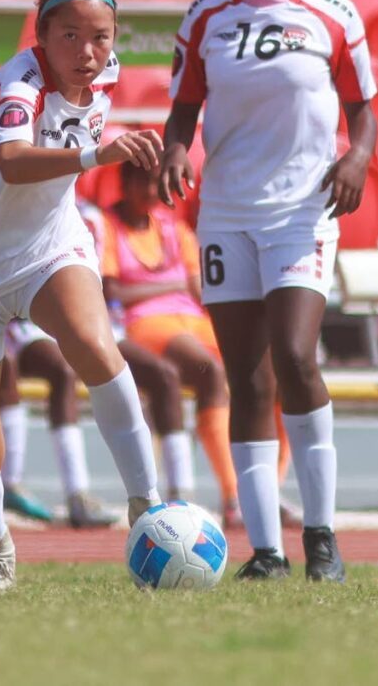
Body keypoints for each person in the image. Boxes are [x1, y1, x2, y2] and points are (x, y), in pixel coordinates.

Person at [159, 0, 377, 582]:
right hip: (225, 213)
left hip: (303, 212)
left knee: (294, 356)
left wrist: (356, 158)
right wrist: (173, 152)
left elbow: (366, 113)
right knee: (246, 380)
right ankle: (266, 552)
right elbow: (184, 108)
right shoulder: (207, 16)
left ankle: (321, 536)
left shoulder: (336, 16)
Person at [0, 0, 164, 591]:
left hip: (49, 246)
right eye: (71, 36)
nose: (88, 52)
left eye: (101, 37)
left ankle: (150, 512)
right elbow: (11, 161)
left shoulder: (106, 75)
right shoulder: (19, 84)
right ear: (43, 35)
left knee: (96, 347)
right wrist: (97, 155)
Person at [102, 161, 241, 526]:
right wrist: (173, 285)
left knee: (265, 369)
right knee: (208, 370)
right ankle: (230, 496)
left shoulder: (174, 228)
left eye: (156, 183)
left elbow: (199, 287)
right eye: (144, 183)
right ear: (125, 182)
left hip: (193, 319)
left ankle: (265, 489)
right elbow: (114, 291)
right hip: (146, 323)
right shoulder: (107, 226)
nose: (152, 192)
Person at [0, 320, 119, 528]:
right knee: (52, 369)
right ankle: (7, 486)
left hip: (54, 321)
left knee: (66, 371)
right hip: (2, 320)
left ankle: (80, 495)